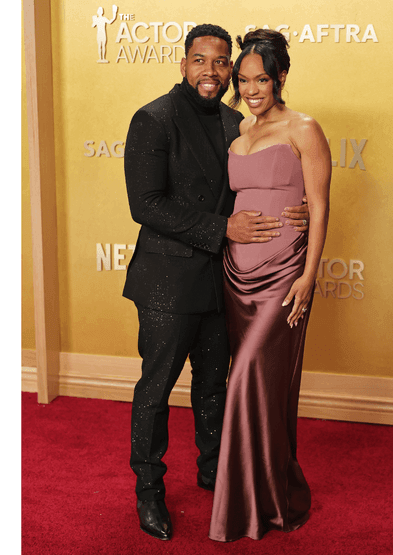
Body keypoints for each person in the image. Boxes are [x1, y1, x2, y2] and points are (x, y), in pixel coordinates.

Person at [122, 24, 311, 542]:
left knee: (213, 385)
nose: (212, 71)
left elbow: (256, 180)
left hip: (223, 278)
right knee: (156, 388)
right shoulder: (153, 119)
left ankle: (213, 471)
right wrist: (221, 229)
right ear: (183, 64)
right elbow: (146, 205)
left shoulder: (236, 120)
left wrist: (294, 210)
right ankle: (149, 491)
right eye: (200, 60)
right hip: (166, 281)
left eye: (221, 62)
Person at [209, 29, 332, 542]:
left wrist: (309, 276)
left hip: (284, 272)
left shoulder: (304, 128)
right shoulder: (237, 132)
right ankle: (271, 491)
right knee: (259, 388)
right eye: (244, 79)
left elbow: (321, 206)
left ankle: (247, 506)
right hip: (236, 274)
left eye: (262, 79)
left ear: (280, 78)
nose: (252, 88)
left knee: (250, 379)